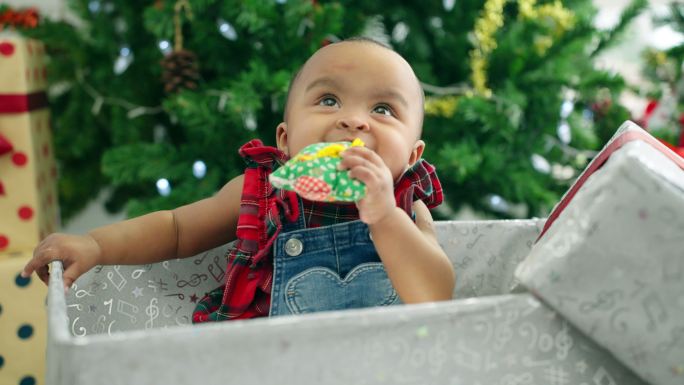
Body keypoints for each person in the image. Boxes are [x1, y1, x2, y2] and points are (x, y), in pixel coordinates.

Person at [22, 37, 455, 322]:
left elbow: (434, 294)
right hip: (266, 360)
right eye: (328, 99)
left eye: (383, 110)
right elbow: (175, 230)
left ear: (414, 155)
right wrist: (96, 245)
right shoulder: (262, 191)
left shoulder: (406, 206)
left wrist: (383, 217)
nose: (354, 121)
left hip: (379, 364)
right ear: (284, 142)